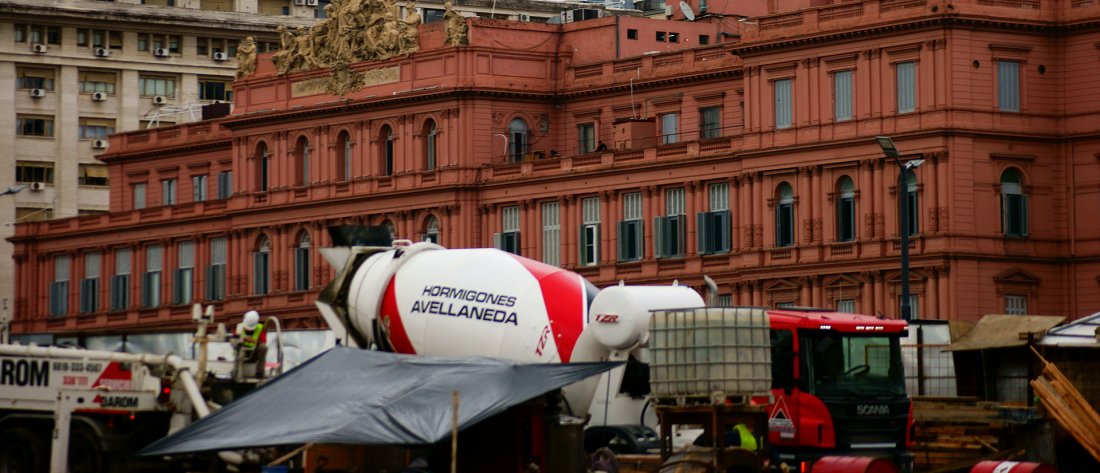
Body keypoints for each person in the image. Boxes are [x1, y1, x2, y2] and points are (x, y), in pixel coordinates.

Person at [233, 310, 267, 380]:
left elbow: (263, 342)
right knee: (239, 349)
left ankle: (260, 372)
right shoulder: (239, 327)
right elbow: (233, 340)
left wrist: (254, 341)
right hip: (242, 354)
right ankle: (236, 371)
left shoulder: (260, 328)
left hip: (254, 354)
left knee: (263, 347)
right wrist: (242, 339)